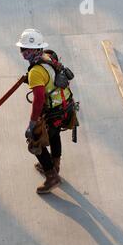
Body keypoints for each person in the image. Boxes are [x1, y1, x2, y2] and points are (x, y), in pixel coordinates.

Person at [16, 29, 76, 194]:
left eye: (25, 49)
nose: (22, 53)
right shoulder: (48, 58)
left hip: (52, 112)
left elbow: (39, 100)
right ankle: (54, 166)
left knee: (35, 141)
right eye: (21, 49)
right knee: (54, 135)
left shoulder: (36, 71)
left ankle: (51, 176)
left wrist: (32, 123)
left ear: (35, 49)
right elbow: (49, 77)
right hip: (66, 107)